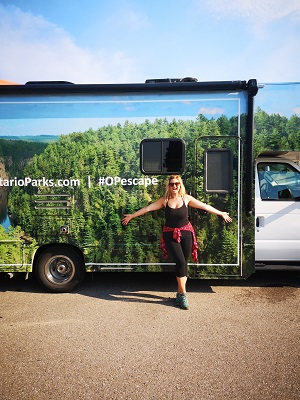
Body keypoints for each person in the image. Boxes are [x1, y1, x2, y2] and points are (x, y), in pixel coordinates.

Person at [122, 175, 232, 310]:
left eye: (177, 184)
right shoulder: (165, 200)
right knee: (180, 262)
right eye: (172, 184)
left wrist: (221, 213)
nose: (175, 186)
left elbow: (204, 206)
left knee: (183, 264)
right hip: (170, 235)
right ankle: (184, 294)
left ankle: (179, 294)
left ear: (180, 185)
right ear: (168, 186)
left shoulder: (186, 199)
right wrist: (132, 216)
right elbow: (148, 208)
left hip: (186, 234)